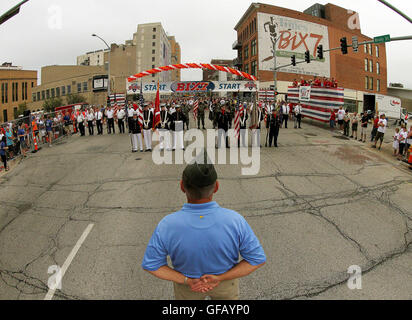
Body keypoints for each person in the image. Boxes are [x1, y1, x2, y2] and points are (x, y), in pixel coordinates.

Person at [142, 153, 266, 300]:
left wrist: (186, 280)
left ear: (182, 187)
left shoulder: (167, 224)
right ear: (216, 187)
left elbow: (151, 264)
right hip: (225, 285)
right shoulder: (235, 220)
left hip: (188, 287)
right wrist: (220, 277)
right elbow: (256, 259)